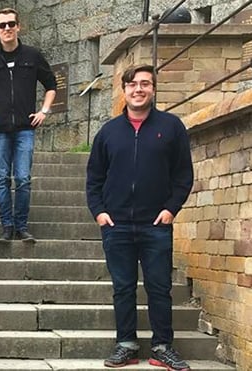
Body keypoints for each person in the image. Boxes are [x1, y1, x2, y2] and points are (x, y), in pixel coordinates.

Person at [85, 64, 193, 370]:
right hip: (116, 224)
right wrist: (100, 212)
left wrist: (171, 209)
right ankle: (126, 345)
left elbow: (183, 175)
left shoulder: (171, 127)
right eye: (132, 84)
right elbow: (94, 178)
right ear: (124, 90)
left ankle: (162, 347)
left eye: (145, 83)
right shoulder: (108, 132)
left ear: (154, 89)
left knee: (159, 287)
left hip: (155, 224)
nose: (138, 89)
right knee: (123, 287)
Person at [0, 7, 57, 243]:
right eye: (2, 25)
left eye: (11, 24)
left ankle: (21, 226)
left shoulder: (32, 57)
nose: (7, 29)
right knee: (2, 178)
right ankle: (7, 226)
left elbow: (52, 85)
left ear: (18, 27)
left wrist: (44, 111)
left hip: (25, 128)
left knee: (23, 178)